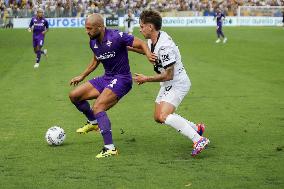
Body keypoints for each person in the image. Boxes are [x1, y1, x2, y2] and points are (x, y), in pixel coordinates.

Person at [69, 13, 156, 159]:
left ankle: (110, 148)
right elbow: (96, 59)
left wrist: (148, 55)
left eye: (90, 28)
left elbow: (141, 43)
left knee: (98, 107)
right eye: (86, 28)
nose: (87, 31)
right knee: (74, 96)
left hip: (122, 79)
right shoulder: (93, 41)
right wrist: (82, 76)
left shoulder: (116, 36)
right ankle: (93, 122)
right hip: (106, 77)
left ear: (100, 27)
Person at [133, 10, 210, 157]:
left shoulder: (165, 47)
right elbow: (145, 50)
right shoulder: (154, 39)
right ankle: (196, 128)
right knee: (158, 117)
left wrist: (146, 79)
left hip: (177, 83)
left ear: (150, 27)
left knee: (163, 115)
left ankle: (198, 139)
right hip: (168, 84)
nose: (140, 29)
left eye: (142, 26)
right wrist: (121, 46)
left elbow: (169, 75)